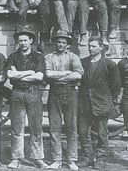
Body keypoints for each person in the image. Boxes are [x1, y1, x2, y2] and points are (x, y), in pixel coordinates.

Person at [5, 30, 48, 169]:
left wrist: (19, 74)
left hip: (33, 94)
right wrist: (30, 72)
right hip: (17, 94)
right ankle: (17, 157)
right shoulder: (13, 56)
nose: (22, 43)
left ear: (31, 40)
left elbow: (39, 77)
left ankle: (37, 158)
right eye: (20, 40)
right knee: (17, 127)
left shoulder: (38, 57)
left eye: (25, 40)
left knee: (36, 127)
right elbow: (10, 74)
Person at [78, 36, 121, 168]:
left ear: (101, 47)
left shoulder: (109, 64)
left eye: (94, 46)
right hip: (85, 104)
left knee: (102, 133)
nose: (90, 49)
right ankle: (88, 157)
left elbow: (116, 86)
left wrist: (108, 100)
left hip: (102, 103)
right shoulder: (83, 62)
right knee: (83, 132)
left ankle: (100, 158)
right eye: (89, 46)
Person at [45, 31, 83, 171]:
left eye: (63, 42)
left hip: (71, 93)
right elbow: (48, 74)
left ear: (67, 44)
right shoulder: (49, 57)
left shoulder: (73, 57)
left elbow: (78, 74)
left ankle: (71, 160)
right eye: (59, 42)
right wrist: (68, 73)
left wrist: (58, 77)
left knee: (71, 126)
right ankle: (57, 159)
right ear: (55, 43)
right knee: (54, 127)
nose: (60, 44)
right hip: (54, 93)